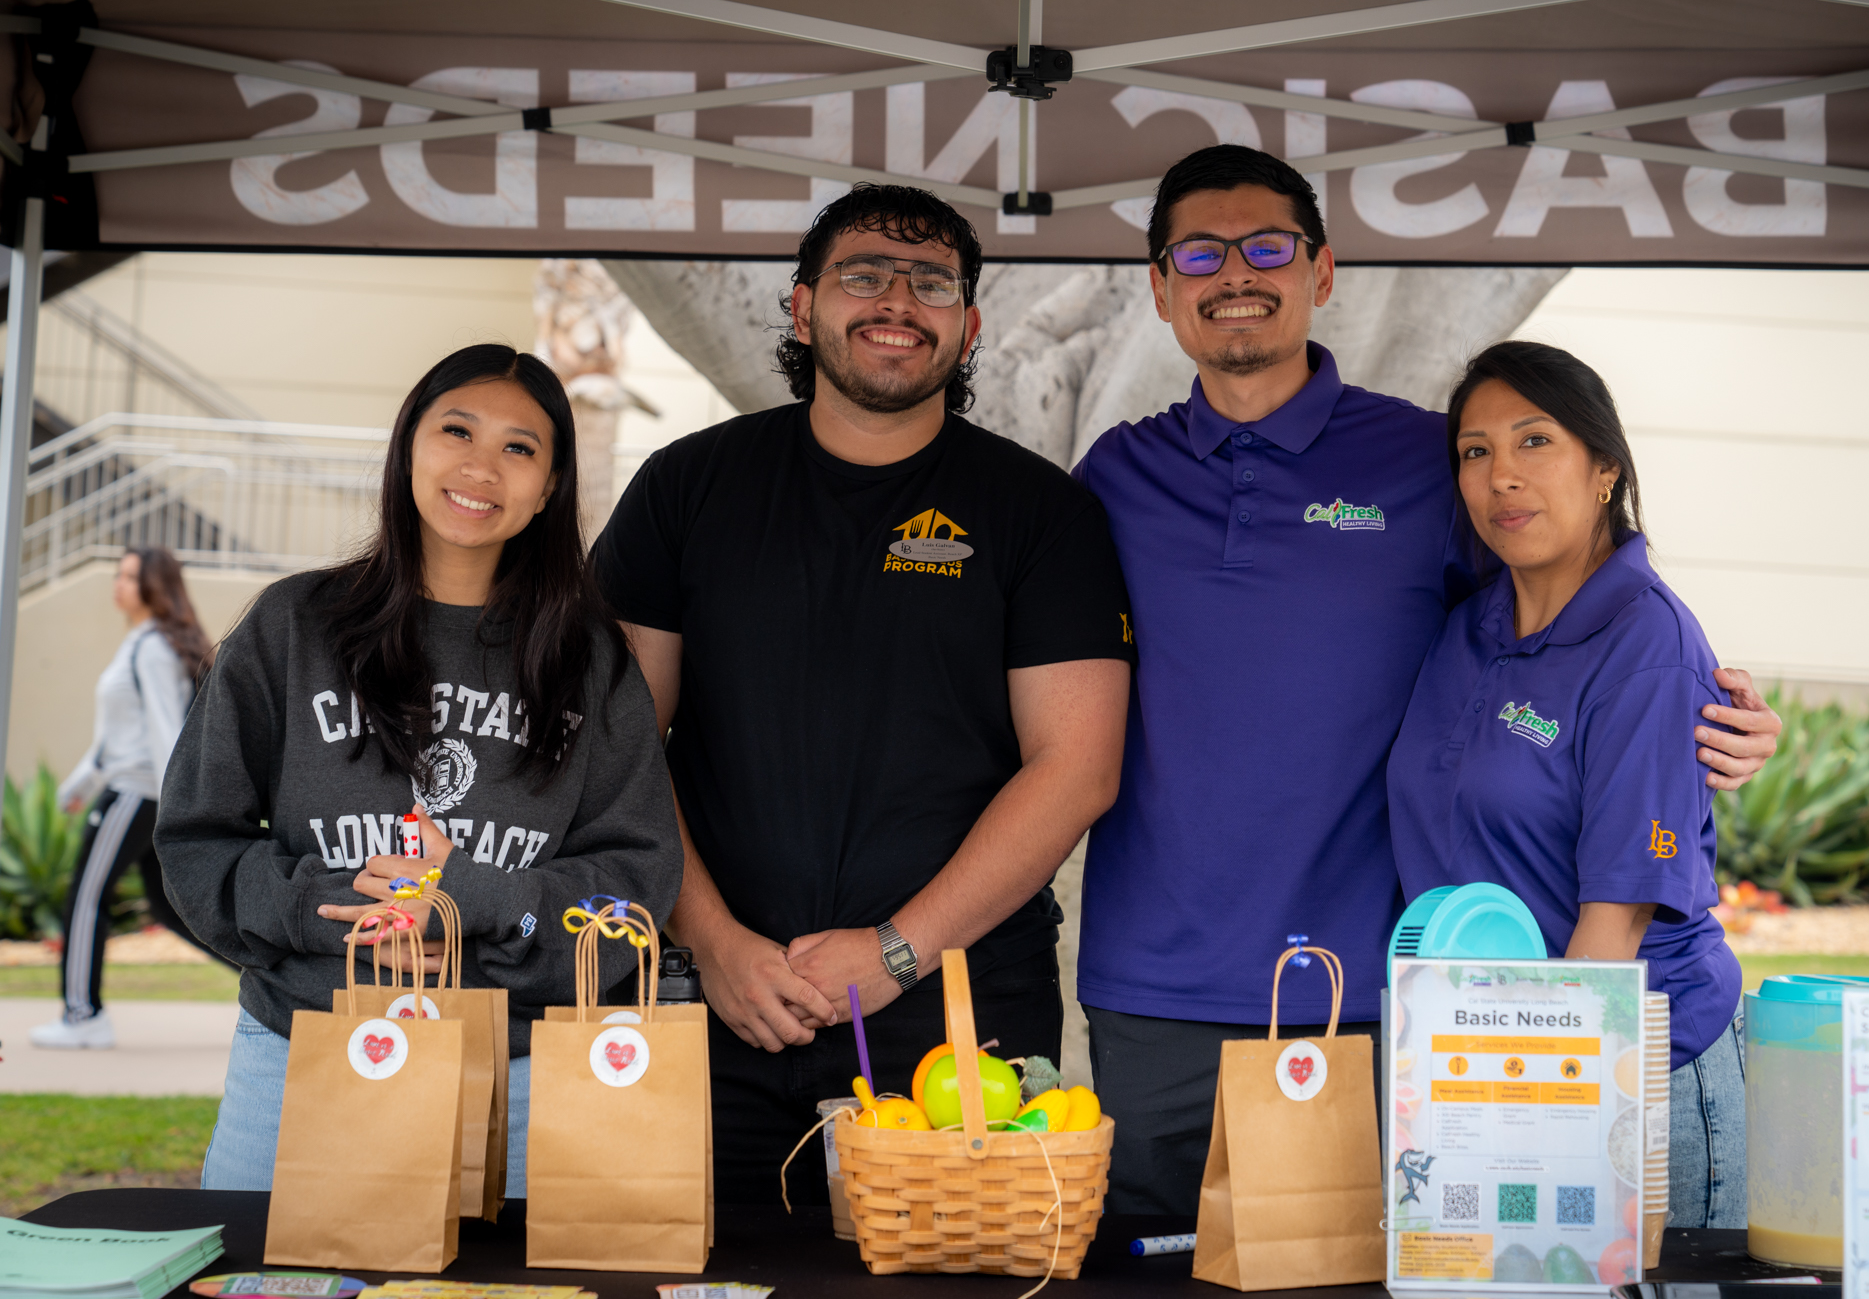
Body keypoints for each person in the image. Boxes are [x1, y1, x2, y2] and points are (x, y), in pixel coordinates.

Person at [1070, 145, 1780, 1214]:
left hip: (1378, 995)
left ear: (1321, 271)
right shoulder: (1111, 476)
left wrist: (1723, 718)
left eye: (1267, 245)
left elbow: (1597, 616)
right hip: (1151, 985)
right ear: (1160, 288)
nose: (1236, 273)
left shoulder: (1424, 462)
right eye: (1200, 252)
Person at [592, 183, 1135, 1207]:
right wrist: (711, 943)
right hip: (715, 1001)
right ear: (802, 308)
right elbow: (619, 743)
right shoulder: (685, 487)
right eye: (863, 275)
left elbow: (1076, 766)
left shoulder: (1040, 513)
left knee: (952, 1283)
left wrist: (894, 954)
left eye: (930, 282)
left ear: (968, 327)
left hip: (956, 1012)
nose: (896, 299)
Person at [156, 344, 685, 1192]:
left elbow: (638, 877)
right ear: (409, 444)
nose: (482, 466)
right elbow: (195, 838)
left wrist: (474, 900)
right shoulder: (293, 627)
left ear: (549, 486)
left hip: (517, 1069)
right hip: (302, 1051)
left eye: (520, 447)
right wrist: (332, 918)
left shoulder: (591, 662)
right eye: (457, 430)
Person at [1388, 340, 1747, 1226]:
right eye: (1477, 452)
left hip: (1622, 1080)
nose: (1502, 476)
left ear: (1603, 471)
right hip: (1488, 1069)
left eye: (1535, 441)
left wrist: (1521, 1123)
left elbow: (1611, 930)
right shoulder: (1468, 622)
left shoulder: (1646, 644)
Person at [31, 547, 213, 1051]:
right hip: (134, 789)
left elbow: (163, 729)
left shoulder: (152, 647)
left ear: (155, 586)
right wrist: (78, 787)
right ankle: (276, 982)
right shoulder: (139, 643)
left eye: (130, 576)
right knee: (168, 907)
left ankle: (81, 1015)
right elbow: (115, 737)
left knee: (86, 898)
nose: (118, 583)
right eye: (117, 574)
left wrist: (176, 804)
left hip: (136, 794)